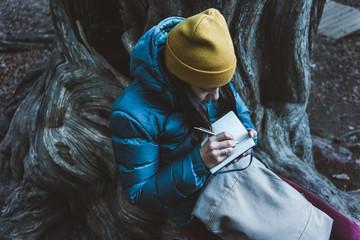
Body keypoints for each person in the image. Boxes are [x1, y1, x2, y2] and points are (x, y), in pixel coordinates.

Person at [110, 8, 360, 240]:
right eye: (206, 89)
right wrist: (200, 162)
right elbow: (139, 192)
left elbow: (240, 112)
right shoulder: (132, 115)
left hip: (245, 176)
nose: (217, 96)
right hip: (201, 209)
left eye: (221, 85)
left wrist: (247, 133)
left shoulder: (210, 72)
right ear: (179, 78)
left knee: (334, 228)